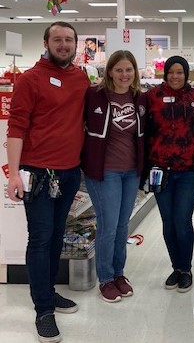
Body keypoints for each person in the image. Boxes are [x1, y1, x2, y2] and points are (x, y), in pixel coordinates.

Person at [6, 21, 90, 343]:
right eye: (58, 39)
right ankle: (43, 309)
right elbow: (16, 127)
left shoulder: (81, 77)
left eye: (69, 39)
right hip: (38, 174)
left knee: (57, 237)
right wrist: (14, 173)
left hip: (69, 173)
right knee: (40, 239)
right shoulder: (30, 79)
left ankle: (50, 292)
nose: (64, 44)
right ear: (46, 42)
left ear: (75, 44)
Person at [81, 50, 147, 303]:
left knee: (122, 226)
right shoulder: (95, 96)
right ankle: (105, 279)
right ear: (109, 71)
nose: (124, 74)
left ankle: (119, 274)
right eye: (119, 69)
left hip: (130, 172)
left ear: (134, 72)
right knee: (108, 226)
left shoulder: (140, 98)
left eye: (128, 69)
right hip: (104, 171)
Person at [146, 56, 194, 293]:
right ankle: (176, 267)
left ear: (186, 74)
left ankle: (186, 268)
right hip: (159, 170)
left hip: (189, 169)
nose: (175, 76)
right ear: (165, 73)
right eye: (171, 72)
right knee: (168, 222)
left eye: (180, 72)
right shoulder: (152, 96)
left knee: (182, 220)